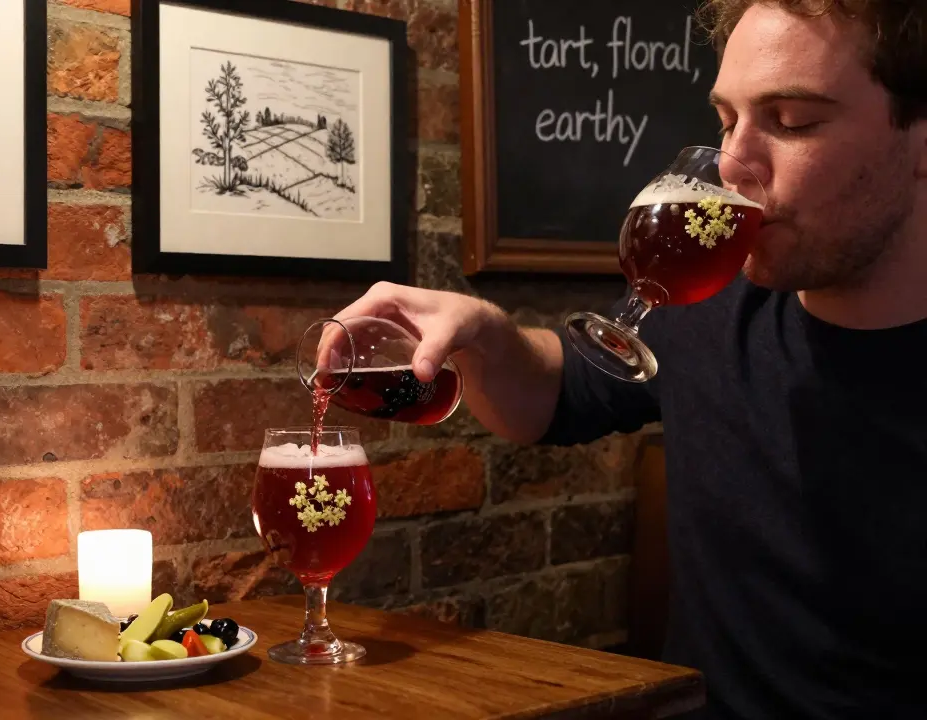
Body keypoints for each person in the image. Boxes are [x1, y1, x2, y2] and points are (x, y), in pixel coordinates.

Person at [336, 1, 927, 718]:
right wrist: (487, 333)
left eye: (792, 120)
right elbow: (552, 395)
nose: (734, 166)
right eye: (725, 120)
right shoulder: (710, 304)